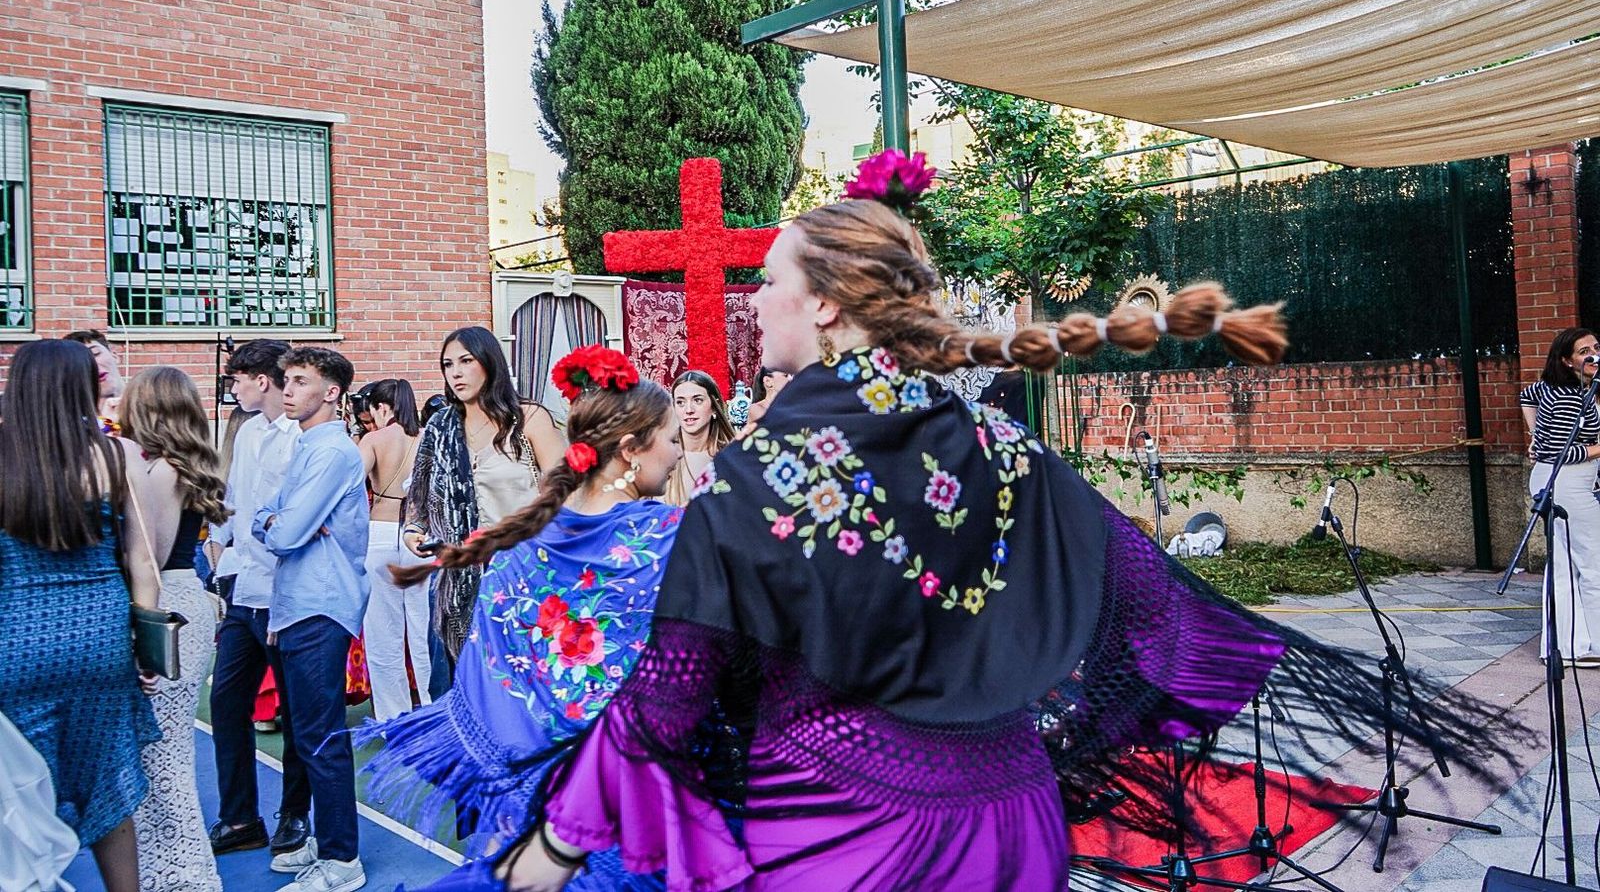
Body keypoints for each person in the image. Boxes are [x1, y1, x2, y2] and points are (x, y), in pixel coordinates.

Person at [499, 188, 1500, 892]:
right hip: (1013, 814)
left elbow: (668, 697)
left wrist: (556, 836)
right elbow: (1148, 595)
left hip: (846, 834)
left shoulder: (753, 484)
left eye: (767, 281)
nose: (753, 301)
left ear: (828, 304)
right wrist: (1066, 727)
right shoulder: (998, 441)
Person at [361, 347, 681, 889]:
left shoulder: (517, 550)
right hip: (626, 808)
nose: (677, 453)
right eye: (671, 438)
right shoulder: (670, 539)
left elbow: (490, 686)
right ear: (630, 450)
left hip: (525, 807)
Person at [0, 339, 162, 892]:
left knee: (19, 796)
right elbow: (141, 562)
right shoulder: (111, 456)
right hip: (100, 644)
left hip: (16, 646)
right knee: (108, 789)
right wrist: (147, 648)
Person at [253, 346, 371, 892]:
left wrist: (283, 521)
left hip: (321, 604)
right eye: (286, 380)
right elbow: (265, 518)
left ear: (331, 391)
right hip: (300, 602)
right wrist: (282, 520)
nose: (287, 389)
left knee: (321, 736)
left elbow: (282, 532)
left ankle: (343, 859)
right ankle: (319, 845)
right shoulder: (307, 448)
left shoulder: (331, 453)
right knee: (306, 733)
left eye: (299, 380)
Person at [120, 366, 232, 892]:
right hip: (187, 601)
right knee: (169, 754)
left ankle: (182, 876)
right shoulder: (187, 468)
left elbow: (152, 561)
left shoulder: (160, 471)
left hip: (168, 604)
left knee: (160, 760)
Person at [403, 326, 565, 674]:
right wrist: (414, 530)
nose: (456, 372)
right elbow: (419, 490)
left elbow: (567, 493)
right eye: (448, 364)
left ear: (489, 362)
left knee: (522, 677)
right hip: (457, 575)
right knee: (459, 680)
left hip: (523, 570)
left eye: (466, 360)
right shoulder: (440, 426)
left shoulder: (528, 419)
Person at [207, 339, 314, 862]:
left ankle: (295, 814)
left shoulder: (302, 437)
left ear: (260, 379)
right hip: (240, 588)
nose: (234, 389)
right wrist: (215, 548)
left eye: (237, 380)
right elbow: (231, 505)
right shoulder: (248, 432)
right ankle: (239, 817)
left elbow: (296, 523)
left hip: (284, 594)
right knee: (228, 702)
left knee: (296, 712)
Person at [1520, 327, 1600, 667]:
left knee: (1565, 565)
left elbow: (1527, 395)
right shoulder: (1569, 397)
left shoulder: (1563, 389)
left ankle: (1568, 645)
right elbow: (1559, 452)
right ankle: (1592, 644)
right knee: (1593, 562)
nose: (1594, 355)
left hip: (1559, 482)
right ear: (1567, 361)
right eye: (1584, 352)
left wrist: (1534, 435)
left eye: (1596, 347)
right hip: (1566, 483)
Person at [359, 378, 430, 720]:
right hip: (421, 534)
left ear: (381, 407)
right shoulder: (428, 438)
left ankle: (392, 719)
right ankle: (433, 709)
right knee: (423, 628)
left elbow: (350, 486)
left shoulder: (373, 440)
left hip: (381, 531)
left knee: (383, 632)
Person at [662, 369, 733, 506]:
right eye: (681, 402)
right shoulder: (661, 455)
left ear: (714, 406)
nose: (688, 410)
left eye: (697, 400)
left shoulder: (731, 457)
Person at [65, 328, 126, 432]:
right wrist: (108, 425)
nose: (93, 364)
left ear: (115, 356)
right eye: (81, 361)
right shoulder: (73, 423)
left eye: (96, 353)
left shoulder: (149, 404)